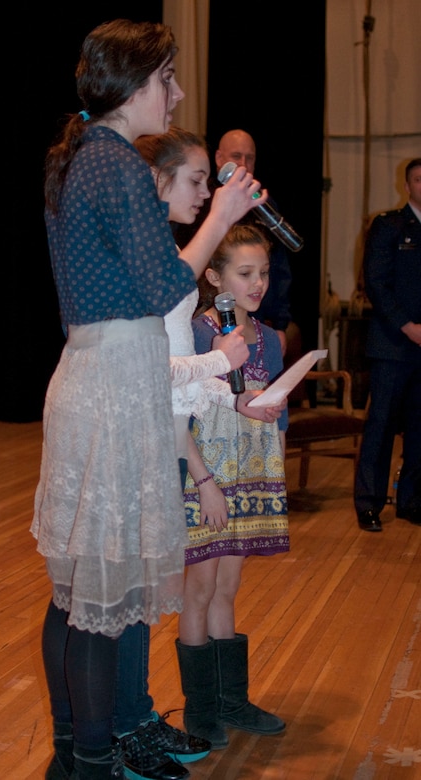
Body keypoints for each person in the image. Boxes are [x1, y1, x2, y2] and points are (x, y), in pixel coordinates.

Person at [30, 19, 268, 780]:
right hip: (113, 392)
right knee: (100, 602)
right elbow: (166, 285)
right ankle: (92, 761)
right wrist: (225, 218)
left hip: (97, 379)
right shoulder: (115, 165)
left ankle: (76, 754)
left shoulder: (83, 160)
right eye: (168, 78)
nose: (178, 92)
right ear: (134, 86)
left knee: (81, 595)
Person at [113, 127, 286, 780]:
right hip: (179, 455)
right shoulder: (168, 277)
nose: (206, 190)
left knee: (213, 590)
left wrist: (247, 397)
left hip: (205, 453)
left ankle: (215, 702)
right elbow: (159, 376)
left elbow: (192, 376)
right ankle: (180, 715)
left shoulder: (174, 262)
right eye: (196, 181)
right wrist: (205, 467)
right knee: (176, 591)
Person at [174, 223, 290, 749]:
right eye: (245, 273)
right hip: (207, 478)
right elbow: (181, 416)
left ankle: (231, 700)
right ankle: (200, 711)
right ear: (215, 276)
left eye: (263, 272)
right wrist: (205, 484)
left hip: (251, 475)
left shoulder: (271, 339)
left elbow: (276, 421)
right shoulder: (200, 335)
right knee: (198, 590)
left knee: (228, 588)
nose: (257, 282)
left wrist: (276, 474)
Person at [172, 129, 293, 356]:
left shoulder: (263, 206)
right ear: (219, 159)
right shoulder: (197, 207)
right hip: (204, 308)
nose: (243, 164)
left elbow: (278, 269)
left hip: (252, 316)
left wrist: (279, 324)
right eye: (237, 157)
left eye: (250, 158)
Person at [354, 157, 421, 533]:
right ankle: (369, 504)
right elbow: (375, 283)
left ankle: (412, 500)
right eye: (418, 179)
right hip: (393, 345)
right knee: (380, 428)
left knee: (419, 428)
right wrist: (408, 326)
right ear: (407, 185)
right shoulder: (389, 227)